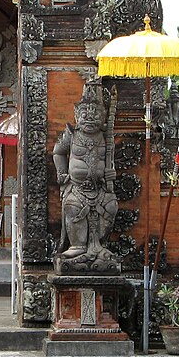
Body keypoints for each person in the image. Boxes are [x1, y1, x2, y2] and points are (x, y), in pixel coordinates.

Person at [52, 80, 119, 272]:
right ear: (76, 116)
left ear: (104, 116)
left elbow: (109, 160)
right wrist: (62, 173)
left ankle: (99, 245)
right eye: (84, 115)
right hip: (77, 188)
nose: (89, 119)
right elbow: (58, 152)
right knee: (73, 207)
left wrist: (110, 174)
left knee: (111, 205)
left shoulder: (105, 137)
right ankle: (78, 246)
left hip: (100, 188)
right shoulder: (72, 135)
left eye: (95, 114)